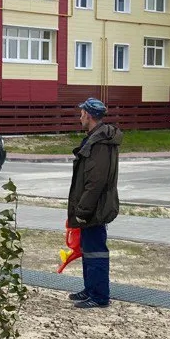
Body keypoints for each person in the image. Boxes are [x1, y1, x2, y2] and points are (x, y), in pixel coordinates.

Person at [67, 98, 122, 309]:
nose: (80, 117)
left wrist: (82, 210)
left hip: (95, 208)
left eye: (82, 113)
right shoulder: (96, 138)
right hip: (92, 206)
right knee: (88, 248)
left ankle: (99, 296)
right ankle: (90, 289)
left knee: (96, 249)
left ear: (88, 116)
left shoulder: (100, 143)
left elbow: (95, 181)